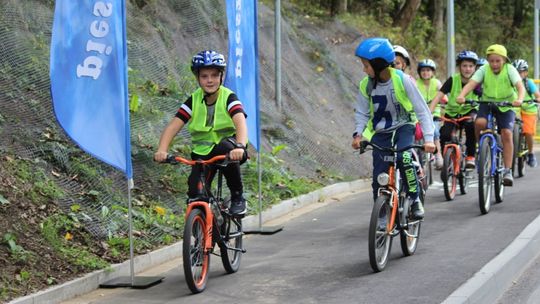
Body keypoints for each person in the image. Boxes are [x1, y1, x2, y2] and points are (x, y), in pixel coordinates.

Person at [154, 50, 249, 215]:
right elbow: (172, 127)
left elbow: (240, 121)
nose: (210, 80)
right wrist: (162, 150)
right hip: (202, 153)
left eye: (214, 75)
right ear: (198, 78)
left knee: (227, 148)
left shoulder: (228, 97)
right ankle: (200, 228)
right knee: (195, 193)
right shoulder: (194, 100)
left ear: (221, 76)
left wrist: (240, 146)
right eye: (204, 76)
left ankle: (237, 196)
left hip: (229, 149)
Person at [351, 38, 436, 220]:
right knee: (379, 177)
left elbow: (422, 110)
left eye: (366, 65)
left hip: (404, 126)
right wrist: (358, 134)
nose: (364, 70)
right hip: (381, 131)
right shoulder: (366, 84)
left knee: (404, 158)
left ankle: (414, 200)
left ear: (378, 64)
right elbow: (362, 112)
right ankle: (381, 217)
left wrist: (429, 139)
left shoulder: (402, 80)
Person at [456, 44, 526, 186]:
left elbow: (520, 86)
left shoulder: (510, 70)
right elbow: (471, 83)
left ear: (504, 61)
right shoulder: (483, 69)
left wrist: (519, 99)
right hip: (487, 103)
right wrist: (462, 95)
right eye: (491, 60)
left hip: (507, 105)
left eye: (497, 61)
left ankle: (507, 170)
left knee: (506, 133)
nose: (494, 64)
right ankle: (479, 147)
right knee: (479, 123)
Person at [430, 50, 480, 169]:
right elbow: (438, 96)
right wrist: (429, 112)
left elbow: (483, 96)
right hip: (452, 113)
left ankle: (470, 156)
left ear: (475, 68)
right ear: (459, 67)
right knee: (445, 135)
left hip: (469, 111)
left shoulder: (478, 82)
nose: (467, 69)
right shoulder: (453, 80)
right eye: (464, 66)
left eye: (470, 66)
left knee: (470, 126)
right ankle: (446, 158)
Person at [416, 59, 444, 169]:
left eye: (428, 70)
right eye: (423, 70)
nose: (425, 73)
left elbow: (443, 94)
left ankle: (438, 155)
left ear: (432, 72)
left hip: (434, 114)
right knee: (415, 132)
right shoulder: (416, 83)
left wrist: (444, 99)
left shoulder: (436, 83)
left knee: (435, 131)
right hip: (419, 114)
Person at [512, 59, 540, 167]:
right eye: (516, 72)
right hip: (515, 109)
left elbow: (537, 95)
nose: (518, 75)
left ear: (525, 73)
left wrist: (537, 99)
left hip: (529, 109)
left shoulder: (529, 83)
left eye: (520, 72)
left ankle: (531, 153)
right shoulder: (510, 83)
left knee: (528, 131)